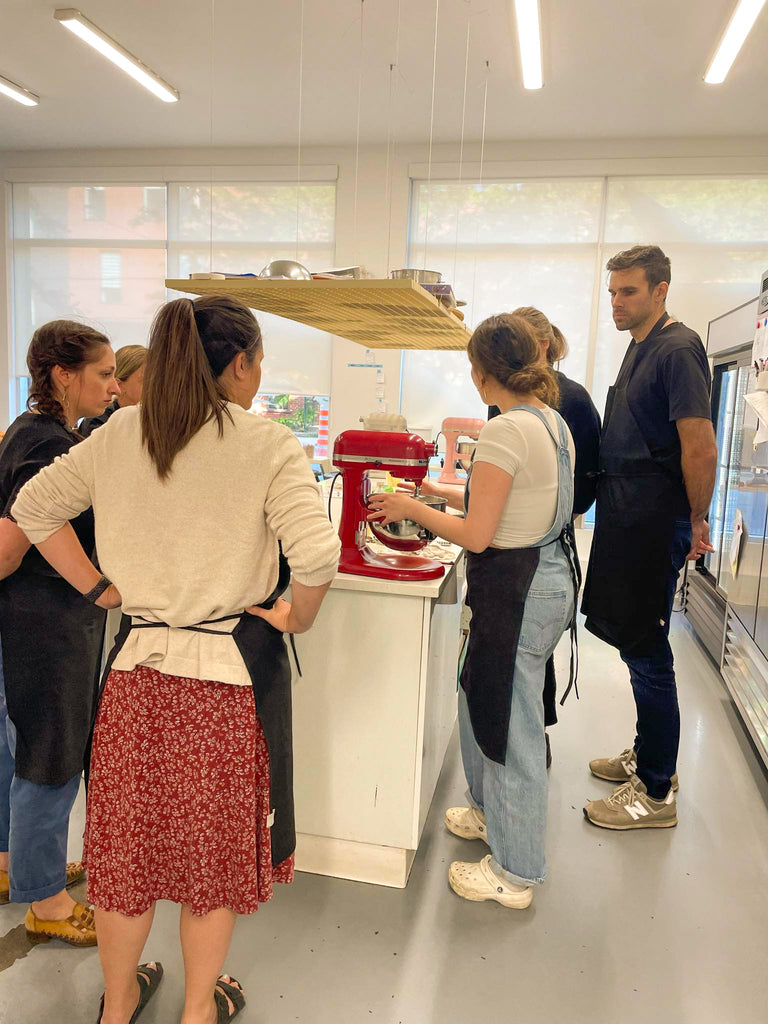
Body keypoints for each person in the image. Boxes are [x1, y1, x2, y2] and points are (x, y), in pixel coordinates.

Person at [12, 294, 340, 1024]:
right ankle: (197, 1011)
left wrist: (98, 587)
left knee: (125, 863)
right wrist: (295, 617)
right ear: (242, 364)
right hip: (222, 690)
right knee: (210, 870)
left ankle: (118, 1005)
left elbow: (34, 511)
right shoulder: (266, 444)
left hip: (135, 683)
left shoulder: (120, 431)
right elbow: (319, 553)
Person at [368, 313, 576, 910]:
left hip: (519, 588)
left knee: (511, 729)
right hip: (544, 579)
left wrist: (408, 505)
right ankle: (493, 817)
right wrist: (434, 492)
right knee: (483, 701)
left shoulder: (507, 429)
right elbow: (509, 498)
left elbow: (479, 533)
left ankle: (516, 873)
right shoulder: (549, 421)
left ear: (483, 373)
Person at [581, 245, 717, 830]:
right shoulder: (640, 347)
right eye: (611, 292)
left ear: (661, 290)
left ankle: (656, 792)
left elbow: (700, 443)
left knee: (647, 648)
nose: (616, 302)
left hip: (654, 519)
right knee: (635, 641)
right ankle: (649, 754)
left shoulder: (679, 348)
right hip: (626, 515)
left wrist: (698, 519)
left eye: (628, 291)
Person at [0, 320, 120, 945]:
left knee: (27, 749)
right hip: (46, 626)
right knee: (50, 756)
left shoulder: (44, 434)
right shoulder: (46, 446)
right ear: (62, 376)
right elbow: (24, 527)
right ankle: (46, 904)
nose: (113, 385)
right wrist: (99, 586)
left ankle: (22, 866)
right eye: (102, 374)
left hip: (40, 621)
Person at [490, 307, 601, 764]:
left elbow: (586, 480)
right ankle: (519, 739)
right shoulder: (507, 396)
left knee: (528, 656)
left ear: (542, 346)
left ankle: (532, 740)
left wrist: (545, 517)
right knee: (516, 658)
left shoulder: (570, 402)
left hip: (541, 545)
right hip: (515, 542)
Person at [80, 344, 147, 436]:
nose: (155, 389)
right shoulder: (98, 423)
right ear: (119, 385)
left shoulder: (157, 420)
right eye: (146, 381)